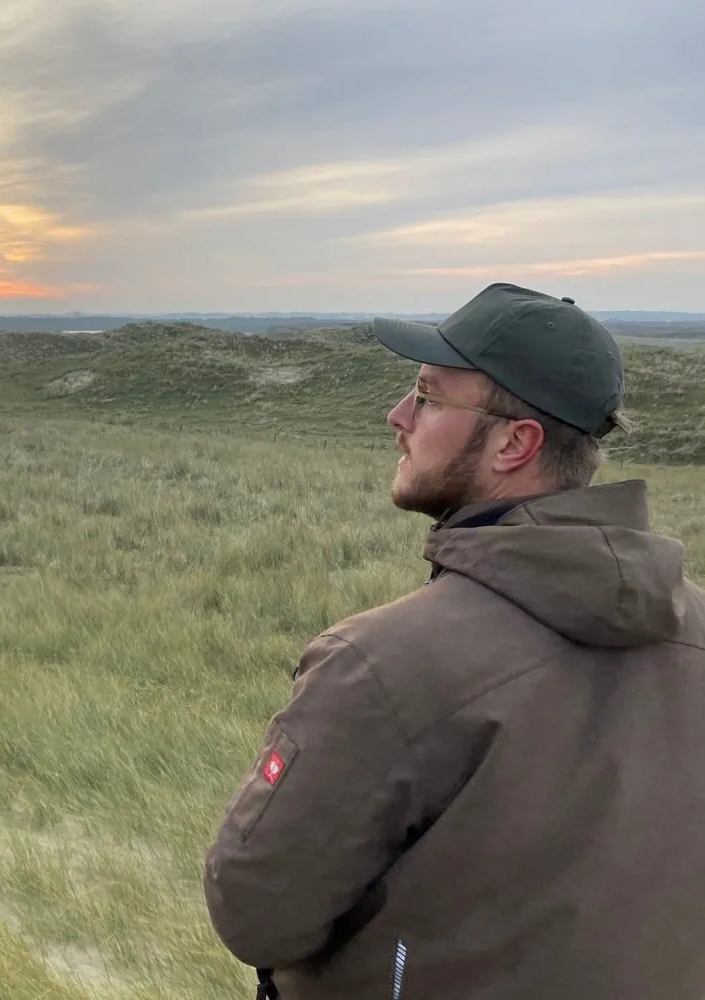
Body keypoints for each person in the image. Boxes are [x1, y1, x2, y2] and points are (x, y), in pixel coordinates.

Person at [203, 283, 705, 999]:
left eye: (429, 396)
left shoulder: (380, 665)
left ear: (514, 442)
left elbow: (255, 915)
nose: (397, 416)